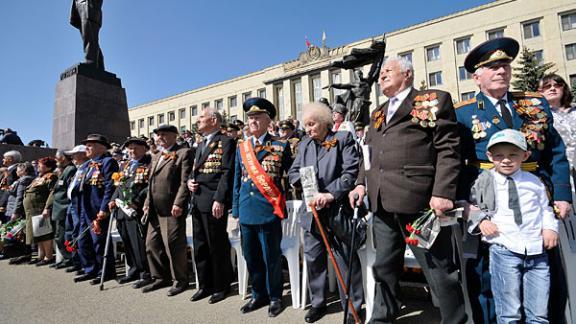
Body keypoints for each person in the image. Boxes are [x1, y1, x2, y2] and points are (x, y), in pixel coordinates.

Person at [456, 37, 572, 324]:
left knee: (546, 273)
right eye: (492, 67)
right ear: (477, 76)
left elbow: (555, 152)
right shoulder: (463, 113)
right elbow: (456, 164)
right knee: (489, 276)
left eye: (505, 66)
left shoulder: (533, 104)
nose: (501, 71)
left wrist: (561, 194)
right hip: (490, 202)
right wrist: (468, 207)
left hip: (535, 199)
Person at [349, 56, 467, 323]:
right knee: (384, 268)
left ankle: (454, 320)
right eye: (381, 74)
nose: (381, 77)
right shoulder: (378, 112)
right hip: (382, 203)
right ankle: (382, 317)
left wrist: (443, 192)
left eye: (388, 71)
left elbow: (448, 150)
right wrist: (360, 183)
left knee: (439, 270)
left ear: (408, 74)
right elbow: (367, 153)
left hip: (420, 204)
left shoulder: (432, 101)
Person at [469, 129, 558, 323]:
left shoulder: (534, 182)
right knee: (509, 312)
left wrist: (550, 228)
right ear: (490, 156)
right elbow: (471, 206)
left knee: (539, 313)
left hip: (536, 251)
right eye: (499, 156)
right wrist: (482, 221)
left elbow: (545, 209)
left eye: (513, 155)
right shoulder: (484, 180)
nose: (506, 160)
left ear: (525, 155)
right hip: (504, 249)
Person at [288, 102, 363, 323]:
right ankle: (318, 303)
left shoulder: (343, 140)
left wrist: (330, 194)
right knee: (314, 260)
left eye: (312, 124)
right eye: (305, 125)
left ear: (324, 122)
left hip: (337, 210)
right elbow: (293, 172)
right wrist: (303, 181)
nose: (308, 129)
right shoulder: (304, 145)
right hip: (312, 214)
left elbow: (351, 172)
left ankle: (352, 307)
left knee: (344, 262)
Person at [232, 98, 293, 317]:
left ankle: (275, 295)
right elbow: (237, 182)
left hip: (269, 210)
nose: (253, 121)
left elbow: (291, 176)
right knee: (251, 256)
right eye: (250, 117)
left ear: (268, 120)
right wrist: (236, 210)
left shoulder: (281, 146)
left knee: (271, 257)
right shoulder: (242, 148)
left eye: (257, 117)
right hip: (247, 210)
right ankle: (258, 294)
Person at [187, 107, 235, 304]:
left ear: (214, 120)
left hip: (213, 201)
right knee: (200, 246)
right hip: (198, 200)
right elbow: (195, 170)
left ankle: (221, 285)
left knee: (216, 245)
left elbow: (227, 172)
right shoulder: (200, 144)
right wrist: (190, 181)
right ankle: (205, 285)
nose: (198, 121)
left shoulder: (226, 142)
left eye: (201, 117)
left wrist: (220, 199)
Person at [142, 125, 192, 296]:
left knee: (173, 245)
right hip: (155, 209)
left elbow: (185, 181)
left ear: (174, 136)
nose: (160, 137)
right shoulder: (156, 155)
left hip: (171, 208)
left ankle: (180, 280)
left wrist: (179, 203)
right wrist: (148, 201)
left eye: (164, 134)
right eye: (158, 134)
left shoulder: (184, 153)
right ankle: (159, 277)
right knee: (151, 244)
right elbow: (151, 182)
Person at [74, 134, 119, 284]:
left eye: (90, 145)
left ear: (102, 147)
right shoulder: (87, 165)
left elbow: (109, 186)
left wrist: (104, 207)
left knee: (98, 241)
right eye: (86, 145)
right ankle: (90, 269)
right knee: (83, 241)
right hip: (84, 209)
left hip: (97, 208)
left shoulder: (108, 162)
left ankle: (105, 271)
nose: (86, 148)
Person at [108, 137, 152, 289]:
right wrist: (113, 199)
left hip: (136, 209)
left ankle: (145, 273)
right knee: (126, 242)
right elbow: (118, 186)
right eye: (129, 148)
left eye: (135, 148)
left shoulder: (149, 163)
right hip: (122, 210)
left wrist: (138, 202)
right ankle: (133, 269)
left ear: (144, 148)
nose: (132, 151)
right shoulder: (124, 165)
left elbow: (150, 187)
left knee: (138, 243)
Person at [43, 150, 77, 269]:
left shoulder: (71, 170)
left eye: (57, 158)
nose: (56, 160)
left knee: (62, 235)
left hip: (64, 207)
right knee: (59, 235)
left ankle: (70, 259)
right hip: (58, 208)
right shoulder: (64, 170)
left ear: (62, 158)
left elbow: (69, 190)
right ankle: (66, 258)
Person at [24, 157, 59, 265]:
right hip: (33, 209)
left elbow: (52, 193)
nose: (38, 166)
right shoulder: (40, 176)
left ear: (48, 166)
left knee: (44, 233)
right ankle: (41, 255)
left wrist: (47, 207)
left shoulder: (51, 176)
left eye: (40, 164)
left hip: (40, 208)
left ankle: (48, 257)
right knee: (38, 233)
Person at [539, 74, 576, 167]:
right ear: (540, 91)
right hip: (560, 167)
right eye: (547, 86)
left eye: (557, 85)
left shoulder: (574, 109)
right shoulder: (538, 115)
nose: (552, 89)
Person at [63, 145, 90, 274]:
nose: (72, 157)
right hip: (71, 204)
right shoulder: (78, 169)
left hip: (79, 205)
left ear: (83, 154)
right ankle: (76, 261)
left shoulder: (88, 167)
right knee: (70, 233)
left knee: (78, 233)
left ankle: (82, 263)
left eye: (75, 154)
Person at [6, 163, 35, 264]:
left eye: (18, 169)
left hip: (19, 210)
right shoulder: (23, 179)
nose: (16, 171)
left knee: (19, 233)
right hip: (17, 209)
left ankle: (23, 255)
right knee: (21, 233)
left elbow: (20, 197)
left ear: (25, 171)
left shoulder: (25, 180)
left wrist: (16, 212)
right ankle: (23, 254)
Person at [70, 0, 104, 69]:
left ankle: (92, 62)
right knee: (89, 38)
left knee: (90, 37)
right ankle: (99, 64)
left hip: (90, 6)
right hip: (78, 5)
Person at [1, 150, 22, 223]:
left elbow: (8, 189)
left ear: (10, 159)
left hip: (7, 205)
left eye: (4, 158)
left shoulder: (14, 171)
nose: (2, 159)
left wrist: (2, 204)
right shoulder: (8, 170)